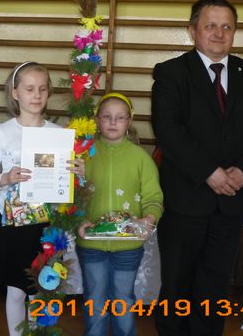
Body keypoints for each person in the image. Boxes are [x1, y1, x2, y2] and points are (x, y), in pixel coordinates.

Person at [151, 0, 243, 336]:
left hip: (231, 201)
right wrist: (209, 171)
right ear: (193, 30)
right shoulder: (171, 73)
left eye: (227, 27)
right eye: (210, 26)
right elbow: (168, 130)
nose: (219, 33)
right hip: (185, 200)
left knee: (215, 284)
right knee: (177, 283)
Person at [0, 62, 60, 336]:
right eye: (29, 89)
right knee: (16, 292)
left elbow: (66, 186)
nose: (37, 95)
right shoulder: (1, 132)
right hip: (14, 226)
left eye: (42, 89)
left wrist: (77, 174)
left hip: (46, 227)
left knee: (41, 290)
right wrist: (5, 178)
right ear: (15, 93)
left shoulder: (58, 135)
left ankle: (37, 333)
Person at [73, 92, 163, 336]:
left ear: (129, 121)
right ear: (97, 120)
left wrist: (149, 218)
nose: (113, 122)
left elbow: (154, 198)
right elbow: (71, 195)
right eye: (107, 116)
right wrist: (80, 219)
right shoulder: (83, 156)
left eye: (120, 117)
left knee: (123, 299)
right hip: (90, 244)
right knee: (95, 298)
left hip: (128, 246)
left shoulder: (141, 159)